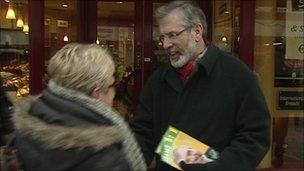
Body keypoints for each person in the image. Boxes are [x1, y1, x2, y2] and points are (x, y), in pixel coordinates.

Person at [129, 1, 270, 171]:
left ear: (197, 31)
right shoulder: (159, 79)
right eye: (163, 37)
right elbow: (143, 133)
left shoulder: (237, 75)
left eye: (172, 35)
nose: (165, 44)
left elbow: (255, 137)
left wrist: (216, 167)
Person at [12, 43, 147, 171]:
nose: (115, 91)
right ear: (97, 94)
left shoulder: (28, 123)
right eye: (113, 85)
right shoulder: (105, 158)